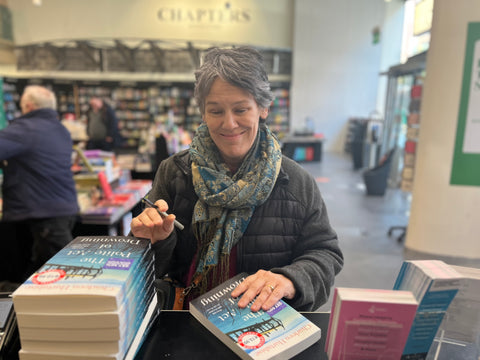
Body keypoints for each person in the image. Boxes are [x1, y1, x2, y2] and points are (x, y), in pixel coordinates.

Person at [130, 47, 343, 312]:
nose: (229, 124)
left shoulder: (296, 182)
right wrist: (154, 241)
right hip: (185, 322)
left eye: (241, 109)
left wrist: (289, 280)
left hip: (264, 329)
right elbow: (149, 266)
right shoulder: (174, 173)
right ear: (203, 113)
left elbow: (325, 254)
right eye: (216, 111)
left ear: (263, 108)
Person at [0, 85, 79, 284]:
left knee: (51, 279)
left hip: (40, 215)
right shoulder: (60, 129)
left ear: (28, 105)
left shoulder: (24, 129)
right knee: (56, 275)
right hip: (61, 210)